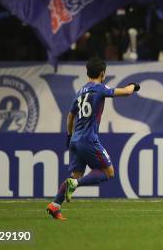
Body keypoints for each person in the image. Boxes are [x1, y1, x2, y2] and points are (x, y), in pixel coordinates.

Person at [46, 58, 140, 220]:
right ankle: (74, 185)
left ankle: (55, 206)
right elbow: (126, 92)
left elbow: (70, 116)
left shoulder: (80, 91)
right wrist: (134, 85)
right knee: (108, 172)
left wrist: (69, 136)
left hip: (75, 139)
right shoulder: (99, 88)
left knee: (75, 175)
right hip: (88, 139)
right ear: (102, 73)